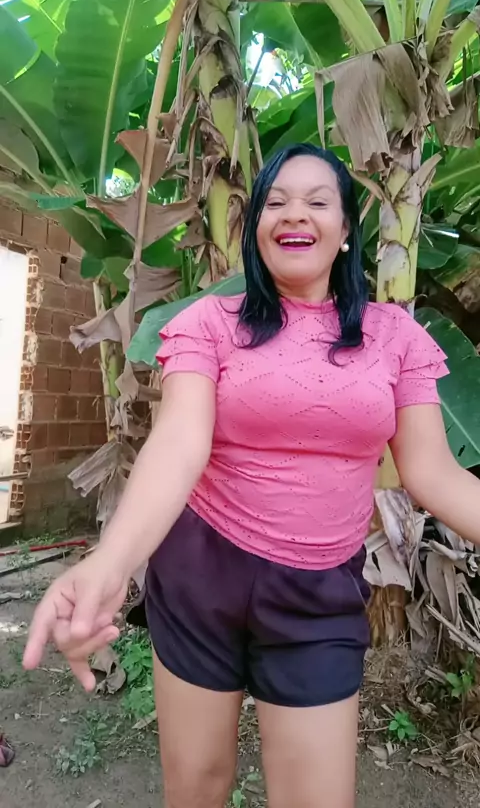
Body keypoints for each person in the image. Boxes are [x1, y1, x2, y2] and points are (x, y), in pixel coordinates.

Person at [23, 143, 480, 808]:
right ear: (255, 227)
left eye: (318, 201)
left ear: (345, 230)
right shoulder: (209, 323)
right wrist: (109, 562)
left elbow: (433, 472)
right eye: (275, 201)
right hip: (202, 575)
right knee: (198, 786)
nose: (295, 213)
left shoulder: (396, 338)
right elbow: (179, 442)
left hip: (318, 594)